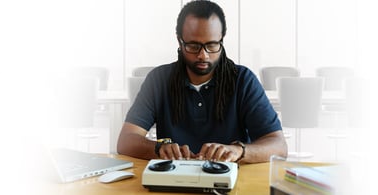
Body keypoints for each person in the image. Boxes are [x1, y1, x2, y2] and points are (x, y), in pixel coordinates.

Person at [117, 0, 287, 164]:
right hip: (174, 179)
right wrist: (159, 148)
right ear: (179, 41)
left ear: (222, 40)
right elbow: (126, 141)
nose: (203, 55)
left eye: (212, 45)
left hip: (231, 180)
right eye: (193, 46)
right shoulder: (158, 80)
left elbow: (279, 146)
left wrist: (239, 151)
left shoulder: (243, 80)